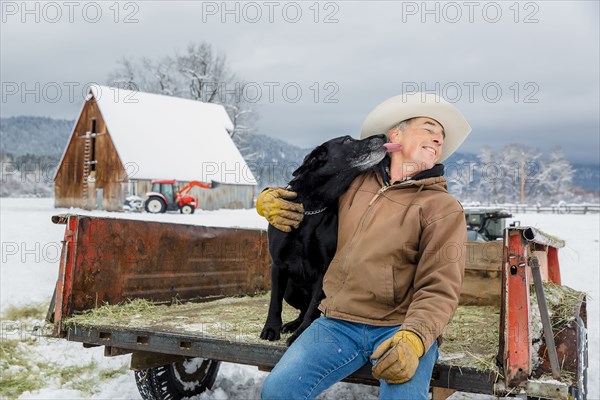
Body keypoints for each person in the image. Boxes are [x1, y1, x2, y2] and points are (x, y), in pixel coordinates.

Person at [258, 92, 471, 400]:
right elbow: (310, 184)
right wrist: (268, 198)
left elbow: (440, 288)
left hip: (399, 330)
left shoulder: (442, 208)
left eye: (441, 137)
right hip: (337, 323)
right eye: (429, 128)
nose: (438, 139)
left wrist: (414, 338)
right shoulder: (353, 183)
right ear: (395, 136)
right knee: (278, 392)